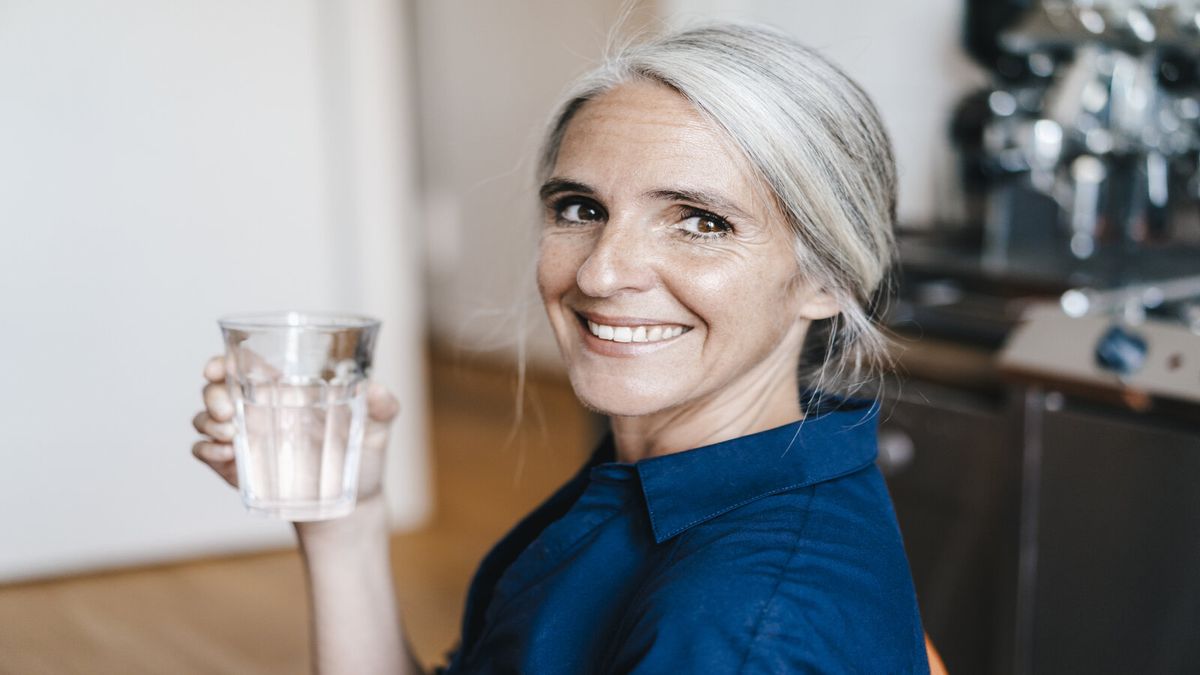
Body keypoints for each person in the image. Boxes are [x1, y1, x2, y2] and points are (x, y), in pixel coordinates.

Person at [192, 22, 935, 674]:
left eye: (701, 221)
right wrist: (344, 521)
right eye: (580, 209)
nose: (601, 271)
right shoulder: (663, 478)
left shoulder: (732, 626)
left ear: (829, 279)